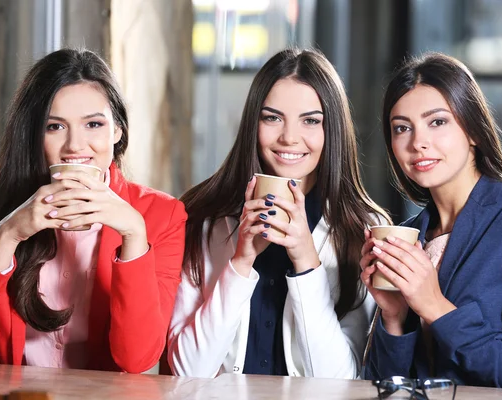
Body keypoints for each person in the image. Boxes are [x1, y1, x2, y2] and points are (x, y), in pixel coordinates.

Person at [167, 48, 390, 378]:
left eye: (311, 121)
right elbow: (186, 372)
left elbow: (340, 382)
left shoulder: (363, 229)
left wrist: (306, 261)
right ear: (253, 124)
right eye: (272, 118)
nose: (289, 137)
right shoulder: (200, 216)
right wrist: (240, 262)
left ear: (333, 131)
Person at [361, 52, 502, 390]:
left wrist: (434, 306)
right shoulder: (414, 233)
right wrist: (393, 316)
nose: (418, 142)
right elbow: (378, 386)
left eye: (437, 122)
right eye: (402, 128)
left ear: (473, 130)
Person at [0, 48, 187, 373]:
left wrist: (133, 234)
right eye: (55, 127)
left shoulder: (162, 215)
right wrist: (8, 233)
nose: (75, 144)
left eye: (93, 124)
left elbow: (138, 359)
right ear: (32, 133)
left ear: (117, 131)